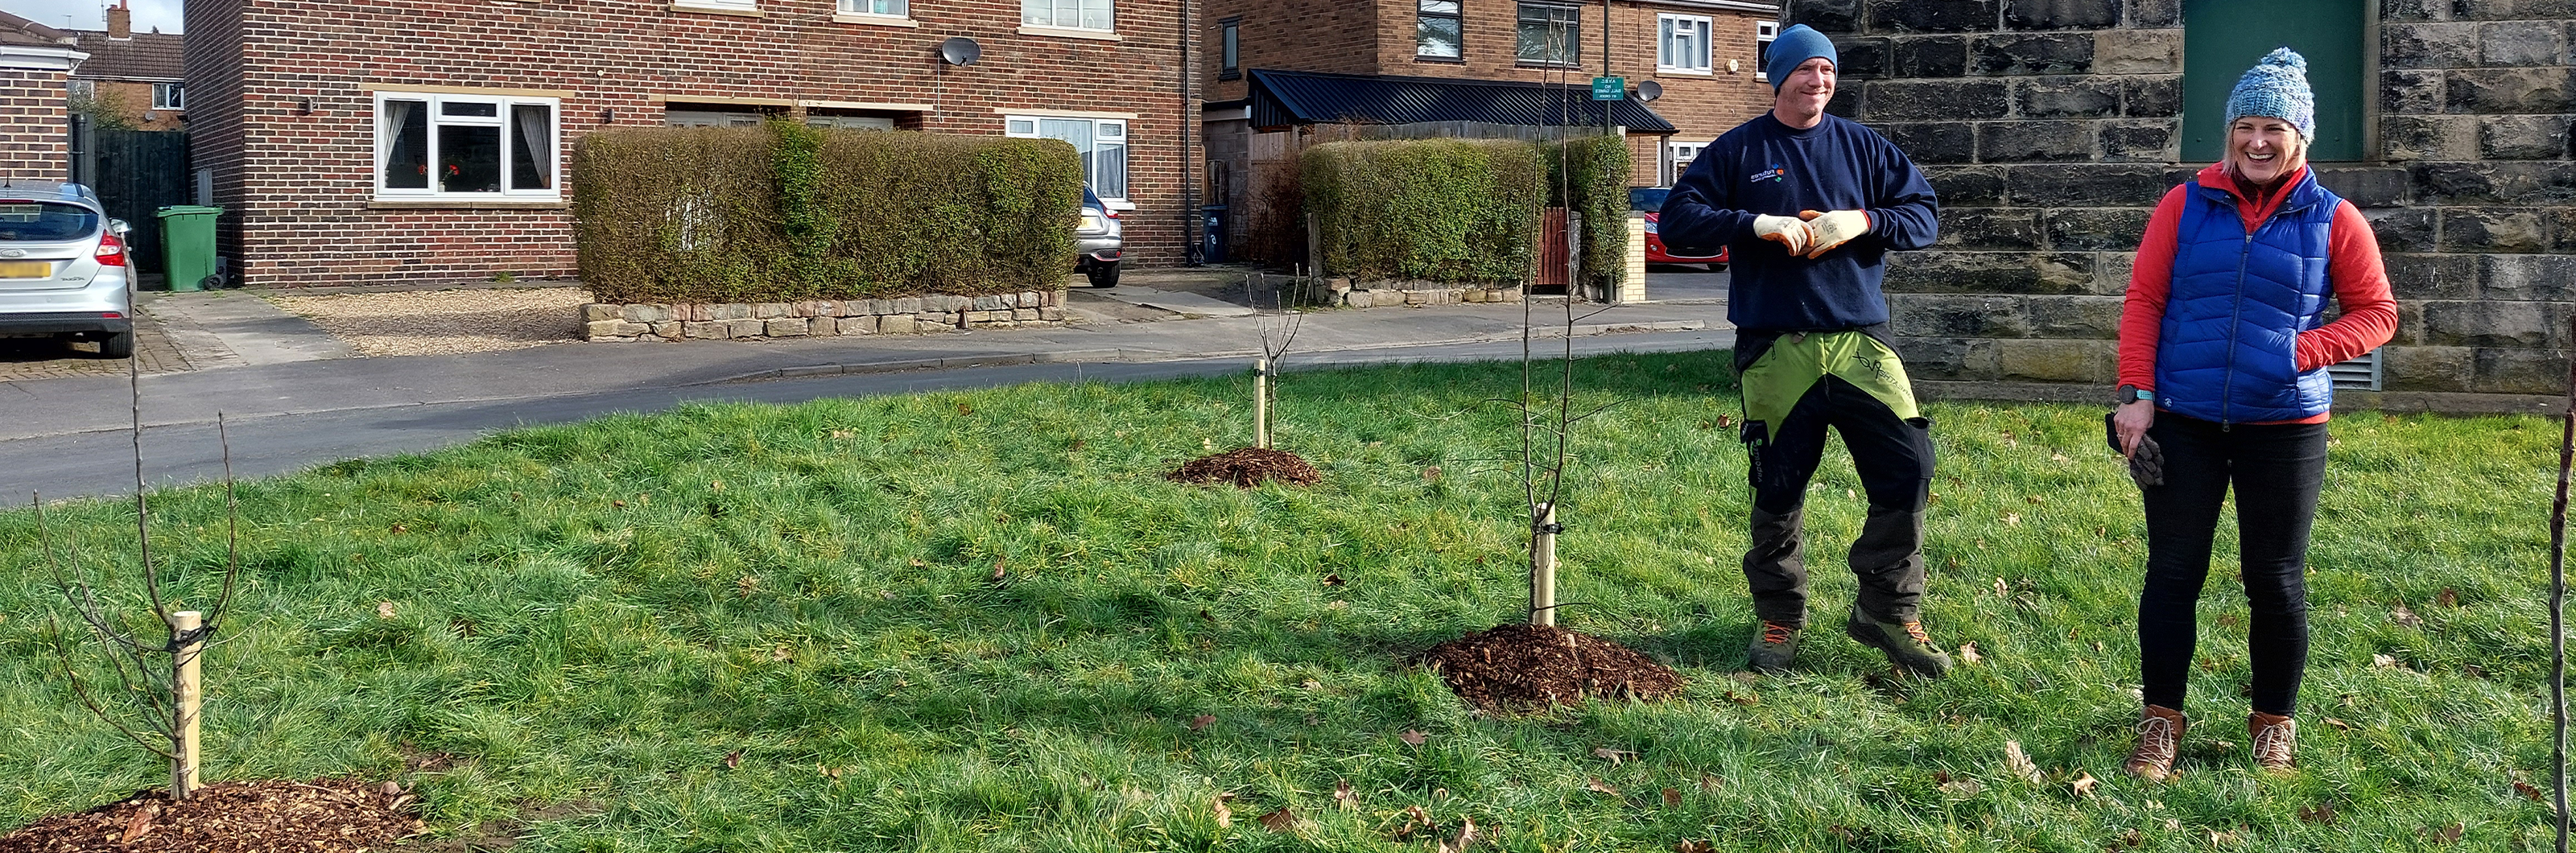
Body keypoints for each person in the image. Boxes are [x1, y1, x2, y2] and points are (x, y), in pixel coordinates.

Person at [2111, 47, 2397, 780]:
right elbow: (2145, 301)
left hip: (2287, 427)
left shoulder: (2335, 218)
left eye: (2274, 127)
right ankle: (2160, 723)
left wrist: (2303, 351)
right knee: (2174, 572)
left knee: (2275, 579)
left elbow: (2377, 314)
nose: (2257, 141)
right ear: (2229, 132)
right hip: (2186, 418)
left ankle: (2273, 725)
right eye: (2245, 125)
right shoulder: (2184, 203)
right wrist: (2135, 398)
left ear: (2300, 137)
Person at [1660, 24, 1949, 678]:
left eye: (1827, 71)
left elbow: (1924, 216)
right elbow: (1678, 221)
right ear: (1777, 77)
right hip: (1776, 347)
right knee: (1779, 486)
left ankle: (1885, 609)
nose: (1817, 82)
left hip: (1859, 342)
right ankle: (1780, 617)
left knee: (1910, 466)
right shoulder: (1739, 151)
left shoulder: (1863, 147)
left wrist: (1864, 220)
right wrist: (1753, 224)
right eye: (1804, 71)